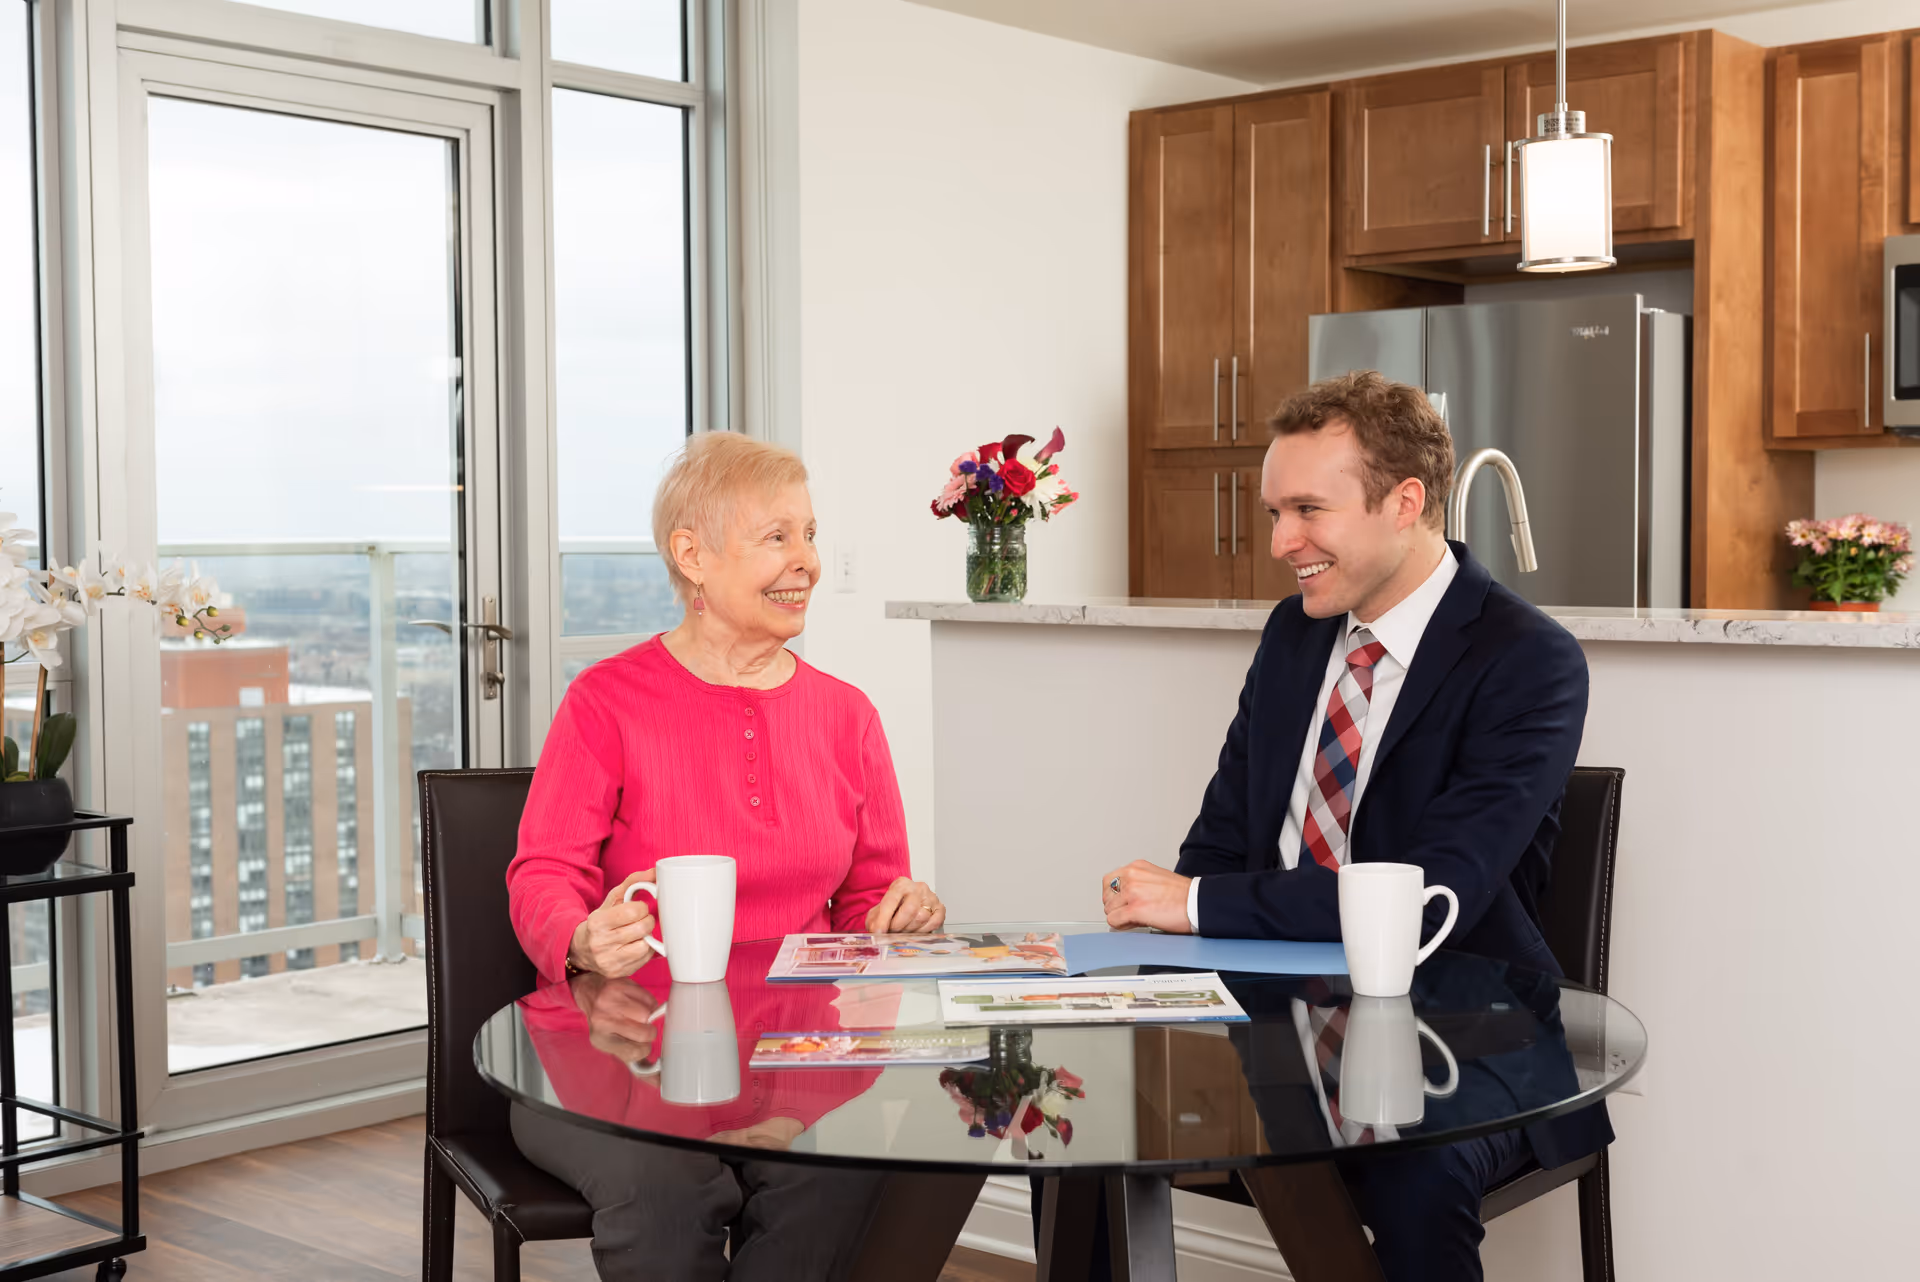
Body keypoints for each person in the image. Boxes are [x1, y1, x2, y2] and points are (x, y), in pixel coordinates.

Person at [1096, 370, 1610, 1282]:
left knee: (1414, 1165)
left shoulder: (1528, 660)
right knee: (1096, 1112)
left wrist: (1199, 902)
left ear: (1405, 502)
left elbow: (1426, 896)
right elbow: (1217, 843)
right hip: (1271, 1021)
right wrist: (1181, 910)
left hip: (1461, 1025)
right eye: (1272, 511)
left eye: (1307, 510)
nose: (1280, 542)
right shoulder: (1295, 636)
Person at [507, 430, 947, 1282]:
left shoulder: (846, 716)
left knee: (850, 1177)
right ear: (692, 556)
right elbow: (544, 872)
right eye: (777, 536)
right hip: (617, 1049)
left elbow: (867, 904)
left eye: (810, 534)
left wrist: (904, 910)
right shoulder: (607, 701)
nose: (807, 561)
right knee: (666, 1184)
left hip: (798, 1051)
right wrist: (578, 939)